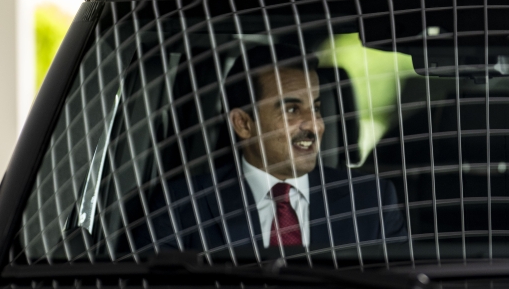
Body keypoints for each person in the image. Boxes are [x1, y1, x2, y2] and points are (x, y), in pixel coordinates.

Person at [154, 44, 405, 257]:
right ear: (243, 123)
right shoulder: (181, 205)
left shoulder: (371, 202)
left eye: (316, 108)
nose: (315, 125)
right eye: (292, 110)